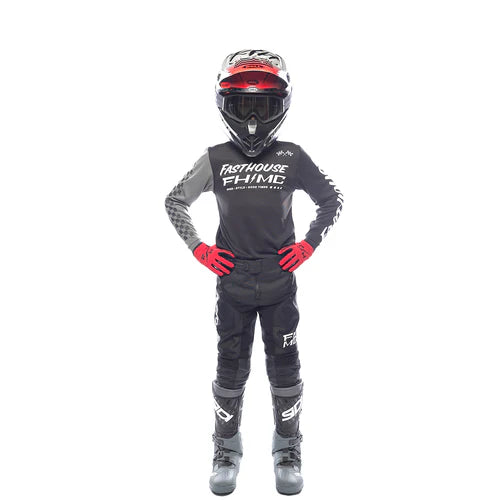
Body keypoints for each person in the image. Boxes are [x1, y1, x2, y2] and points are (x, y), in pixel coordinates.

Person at [165, 49, 344, 495]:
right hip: (233, 282)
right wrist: (199, 249)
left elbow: (332, 199)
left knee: (285, 368)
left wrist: (309, 244)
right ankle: (226, 449)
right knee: (230, 368)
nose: (251, 118)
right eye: (243, 105)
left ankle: (288, 448)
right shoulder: (216, 158)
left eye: (262, 106)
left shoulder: (292, 156)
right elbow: (174, 201)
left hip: (280, 282)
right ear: (225, 105)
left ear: (280, 106)